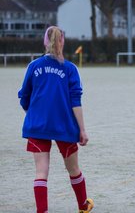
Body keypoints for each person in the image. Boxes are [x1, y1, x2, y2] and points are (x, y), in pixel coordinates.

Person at [18, 26, 94, 213]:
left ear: (45, 41)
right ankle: (83, 206)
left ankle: (42, 211)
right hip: (64, 128)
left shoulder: (33, 66)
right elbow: (75, 101)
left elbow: (24, 97)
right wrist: (82, 130)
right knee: (74, 170)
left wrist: (34, 115)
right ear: (63, 41)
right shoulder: (70, 68)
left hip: (37, 126)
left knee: (41, 173)